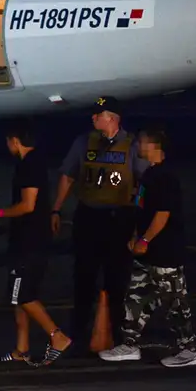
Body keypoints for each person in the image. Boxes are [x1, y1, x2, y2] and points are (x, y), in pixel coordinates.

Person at [50, 96, 148, 353]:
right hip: (89, 216)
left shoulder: (132, 146)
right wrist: (56, 208)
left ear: (113, 118)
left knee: (117, 279)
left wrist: (138, 225)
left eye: (99, 115)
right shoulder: (84, 142)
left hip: (120, 218)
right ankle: (79, 333)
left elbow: (143, 185)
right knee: (83, 277)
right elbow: (68, 176)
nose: (93, 118)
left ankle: (119, 336)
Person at [100, 126, 196, 367]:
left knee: (175, 303)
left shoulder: (165, 177)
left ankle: (190, 349)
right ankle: (129, 344)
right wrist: (137, 237)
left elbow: (162, 215)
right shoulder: (148, 175)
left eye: (141, 143)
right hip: (146, 253)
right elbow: (142, 209)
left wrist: (145, 240)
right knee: (135, 297)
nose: (137, 147)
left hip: (165, 252)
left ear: (153, 146)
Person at [0, 121, 72, 366]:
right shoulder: (33, 162)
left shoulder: (29, 166)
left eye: (9, 141)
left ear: (15, 141)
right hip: (27, 239)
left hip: (30, 241)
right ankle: (22, 349)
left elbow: (28, 205)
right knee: (17, 297)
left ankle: (57, 336)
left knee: (24, 295)